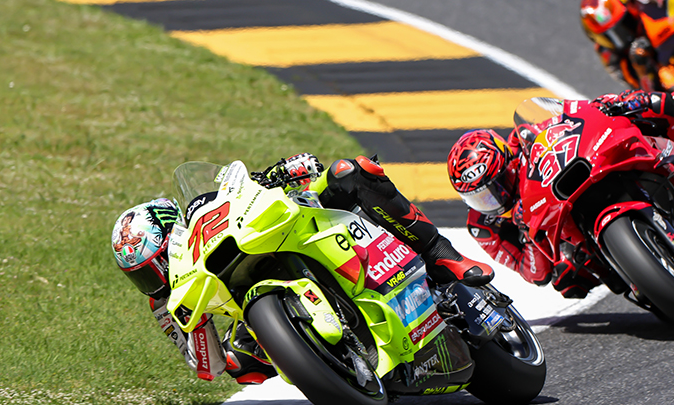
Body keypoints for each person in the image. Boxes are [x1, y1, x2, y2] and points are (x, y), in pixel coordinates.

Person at [112, 154, 495, 384]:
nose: (155, 280)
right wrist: (202, 329)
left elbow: (245, 189)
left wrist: (283, 171)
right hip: (251, 307)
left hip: (304, 225)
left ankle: (440, 253)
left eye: (156, 265)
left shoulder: (205, 216)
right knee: (241, 362)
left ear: (175, 234)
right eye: (141, 276)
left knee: (350, 171)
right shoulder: (168, 302)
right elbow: (208, 365)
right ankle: (330, 360)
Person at [447, 92, 674, 299]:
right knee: (566, 279)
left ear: (508, 160)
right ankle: (645, 278)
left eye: (498, 185)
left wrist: (610, 105)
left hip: (582, 178)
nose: (495, 199)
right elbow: (532, 272)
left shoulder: (525, 140)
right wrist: (527, 234)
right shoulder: (483, 226)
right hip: (564, 238)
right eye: (481, 198)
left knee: (667, 105)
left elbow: (570, 116)